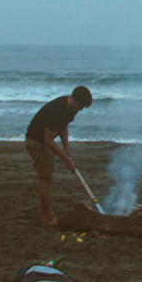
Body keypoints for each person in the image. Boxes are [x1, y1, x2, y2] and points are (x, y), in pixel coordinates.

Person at [25, 86, 93, 225]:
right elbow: (48, 140)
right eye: (80, 106)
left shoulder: (70, 109)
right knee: (45, 178)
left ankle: (47, 214)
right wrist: (67, 160)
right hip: (36, 142)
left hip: (44, 142)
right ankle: (47, 216)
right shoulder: (57, 111)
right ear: (73, 99)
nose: (80, 110)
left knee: (48, 176)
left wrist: (66, 147)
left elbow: (63, 126)